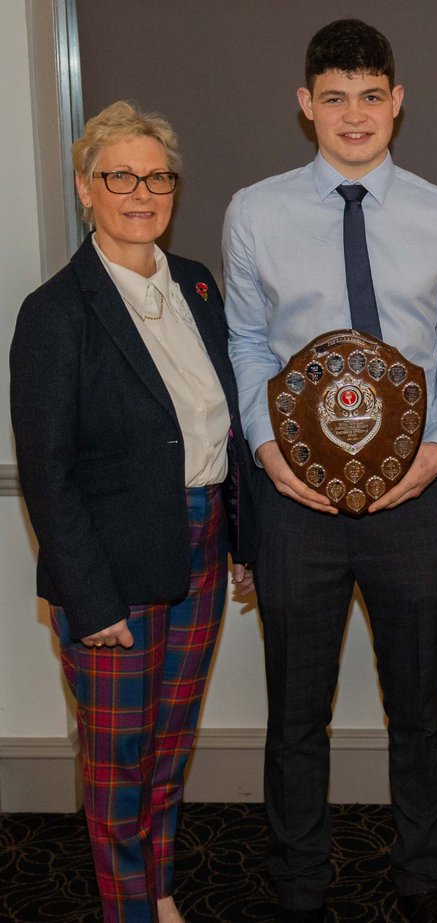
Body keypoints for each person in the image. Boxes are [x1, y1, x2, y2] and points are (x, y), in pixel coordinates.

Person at [222, 19, 437, 923]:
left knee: (418, 705)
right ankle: (297, 882)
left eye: (370, 96)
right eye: (333, 97)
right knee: (296, 710)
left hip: (416, 501)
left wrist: (435, 451)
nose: (353, 114)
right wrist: (268, 453)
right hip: (293, 501)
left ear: (397, 102)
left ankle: (423, 877)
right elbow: (249, 343)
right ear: (305, 106)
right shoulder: (255, 212)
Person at [10, 100, 256, 923]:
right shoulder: (55, 311)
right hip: (111, 564)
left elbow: (225, 425)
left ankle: (156, 887)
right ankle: (128, 911)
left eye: (156, 176)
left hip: (201, 546)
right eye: (121, 176)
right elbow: (48, 472)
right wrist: (88, 597)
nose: (141, 192)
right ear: (87, 187)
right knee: (117, 757)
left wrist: (243, 542)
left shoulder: (194, 282)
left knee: (168, 744)